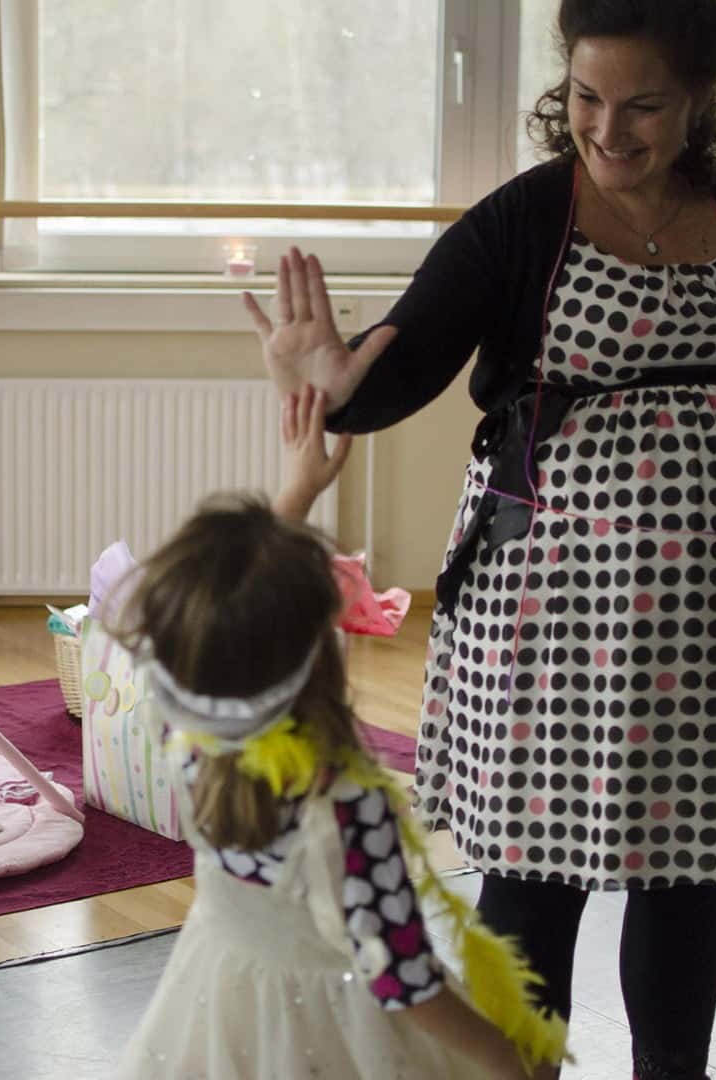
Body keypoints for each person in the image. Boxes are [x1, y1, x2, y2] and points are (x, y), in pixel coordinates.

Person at [241, 3, 716, 1077]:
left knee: (684, 873)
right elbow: (394, 377)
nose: (606, 129)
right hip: (547, 603)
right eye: (584, 98)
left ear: (698, 100)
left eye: (641, 104)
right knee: (532, 871)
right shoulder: (518, 220)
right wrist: (330, 383)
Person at [112, 386, 570, 1079]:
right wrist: (506, 1062)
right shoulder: (348, 812)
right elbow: (402, 980)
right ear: (323, 651)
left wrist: (297, 490)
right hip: (330, 1038)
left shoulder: (189, 731)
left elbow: (230, 624)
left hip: (220, 1006)